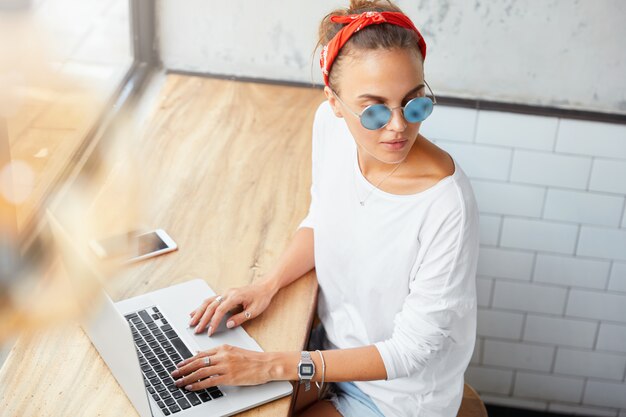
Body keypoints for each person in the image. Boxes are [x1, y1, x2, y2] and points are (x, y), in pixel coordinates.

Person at [170, 1, 480, 416]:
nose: (398, 126)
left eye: (414, 103)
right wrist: (267, 285)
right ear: (333, 101)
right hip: (327, 354)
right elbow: (323, 218)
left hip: (398, 397)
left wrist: (272, 365)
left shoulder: (447, 203)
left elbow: (410, 351)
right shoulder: (330, 127)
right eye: (373, 110)